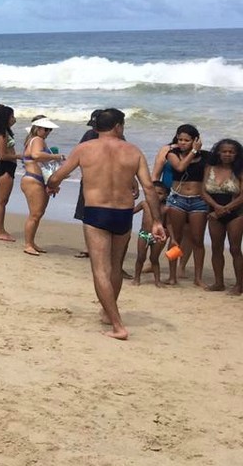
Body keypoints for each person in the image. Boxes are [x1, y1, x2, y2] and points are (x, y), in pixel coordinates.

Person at [47, 109, 165, 340]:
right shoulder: (133, 151)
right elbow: (149, 188)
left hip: (96, 212)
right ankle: (107, 311)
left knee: (100, 269)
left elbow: (57, 176)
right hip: (123, 213)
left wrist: (52, 185)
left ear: (95, 127)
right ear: (118, 126)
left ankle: (117, 325)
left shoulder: (84, 149)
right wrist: (157, 221)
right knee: (115, 265)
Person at [164, 124, 207, 286]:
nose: (182, 143)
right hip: (178, 198)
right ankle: (172, 275)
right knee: (176, 238)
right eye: (180, 139)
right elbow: (180, 167)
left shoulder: (206, 156)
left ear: (195, 140)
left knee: (197, 239)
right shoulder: (172, 154)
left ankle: (198, 277)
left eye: (187, 140)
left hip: (198, 200)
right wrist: (194, 151)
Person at [19, 116, 64, 256]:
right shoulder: (37, 140)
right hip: (33, 180)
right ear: (38, 128)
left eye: (49, 129)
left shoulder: (32, 140)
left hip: (36, 179)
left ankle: (31, 243)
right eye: (46, 129)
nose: (48, 132)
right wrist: (57, 157)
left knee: (38, 214)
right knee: (35, 214)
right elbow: (36, 155)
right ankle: (28, 244)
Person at [202, 138, 242, 294]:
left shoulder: (239, 170)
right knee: (216, 248)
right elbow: (203, 191)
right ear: (218, 152)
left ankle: (239, 285)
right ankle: (219, 282)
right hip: (214, 212)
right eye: (224, 151)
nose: (227, 154)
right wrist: (217, 208)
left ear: (236, 154)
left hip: (236, 213)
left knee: (235, 248)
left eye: (231, 152)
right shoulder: (209, 168)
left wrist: (225, 208)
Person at [71, 110, 103, 258]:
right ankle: (88, 246)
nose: (94, 128)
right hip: (89, 180)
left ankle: (101, 247)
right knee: (86, 213)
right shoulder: (89, 135)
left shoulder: (118, 138)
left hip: (106, 182)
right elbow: (78, 154)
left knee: (103, 214)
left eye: (97, 125)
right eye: (93, 125)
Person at [0, 105, 18, 242]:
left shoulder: (6, 131)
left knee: (3, 201)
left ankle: (1, 229)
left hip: (8, 168)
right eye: (12, 116)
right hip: (4, 168)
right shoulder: (1, 134)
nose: (14, 119)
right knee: (1, 201)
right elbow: (2, 155)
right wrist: (19, 156)